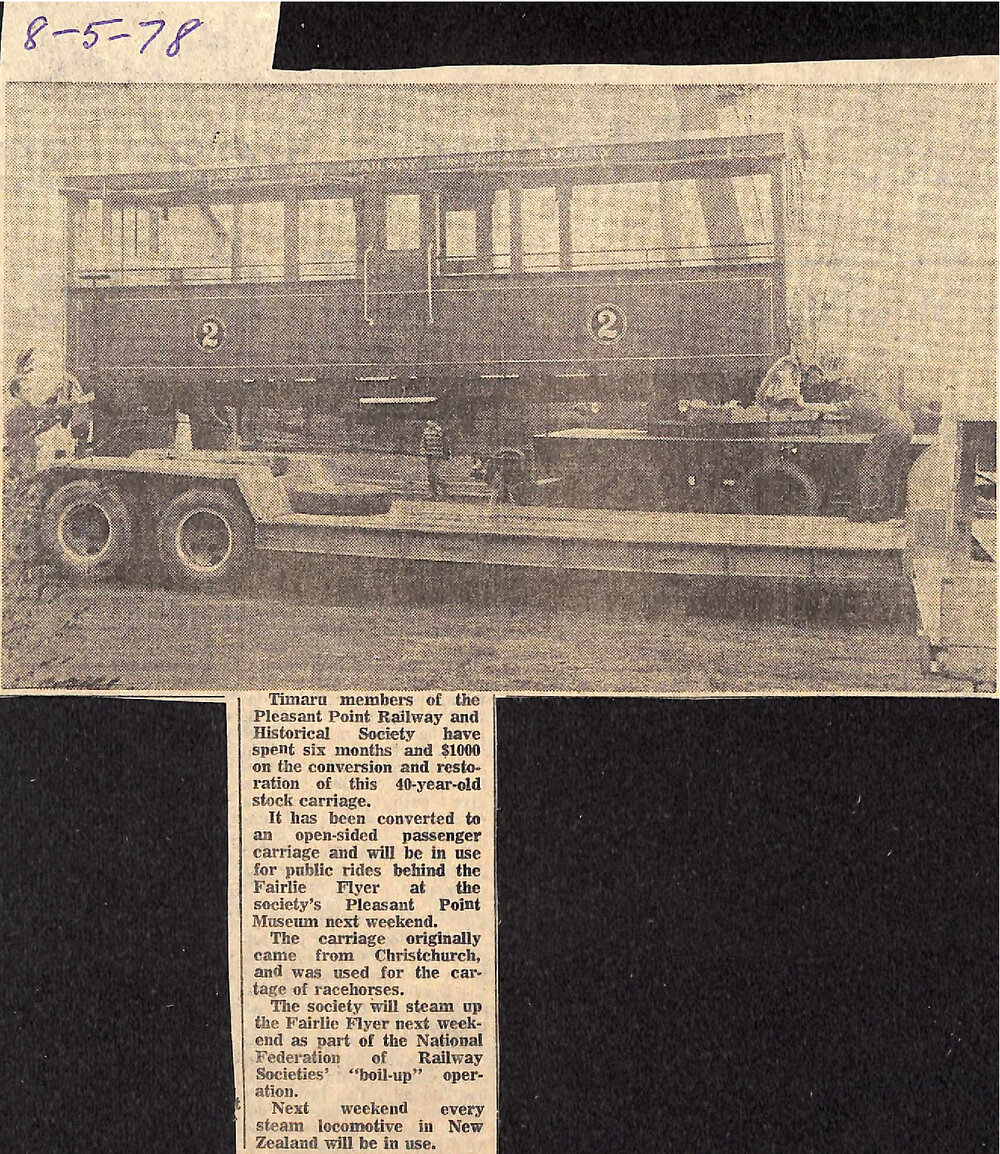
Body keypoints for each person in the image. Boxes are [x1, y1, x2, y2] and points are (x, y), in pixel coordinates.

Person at [4, 379, 40, 486]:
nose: (29, 393)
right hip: (20, 453)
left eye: (30, 389)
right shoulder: (14, 409)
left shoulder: (26, 406)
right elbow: (13, 431)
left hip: (26, 451)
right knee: (25, 483)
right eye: (26, 390)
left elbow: (40, 413)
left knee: (28, 482)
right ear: (16, 392)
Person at [419, 418, 448, 499]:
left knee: (432, 473)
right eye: (429, 421)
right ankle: (435, 492)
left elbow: (444, 443)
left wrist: (445, 453)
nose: (429, 423)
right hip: (429, 455)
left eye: (432, 421)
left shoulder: (439, 431)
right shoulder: (426, 432)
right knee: (431, 474)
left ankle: (440, 489)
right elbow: (423, 443)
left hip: (436, 455)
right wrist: (423, 451)